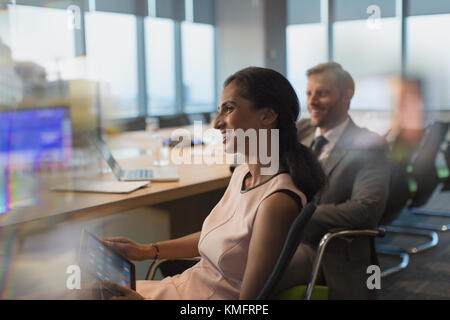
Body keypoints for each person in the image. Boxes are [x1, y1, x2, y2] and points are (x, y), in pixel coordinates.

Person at [101, 67, 326, 300]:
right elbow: (216, 237)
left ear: (268, 115)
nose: (217, 123)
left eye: (229, 109)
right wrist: (147, 250)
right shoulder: (242, 174)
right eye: (220, 110)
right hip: (184, 286)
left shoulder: (276, 202)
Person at [276, 62, 390, 299]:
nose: (312, 101)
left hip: (324, 249)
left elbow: (366, 211)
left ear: (347, 96)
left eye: (322, 93)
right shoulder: (300, 131)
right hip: (278, 237)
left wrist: (297, 215)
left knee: (251, 275)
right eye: (309, 93)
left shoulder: (369, 145)